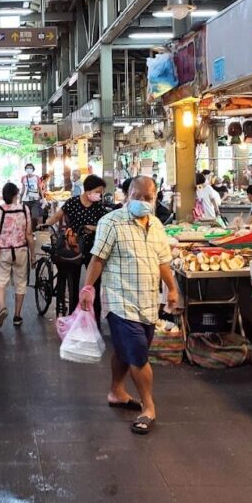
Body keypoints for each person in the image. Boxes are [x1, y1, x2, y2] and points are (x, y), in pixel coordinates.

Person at [80, 176, 180, 436]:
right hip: (119, 300)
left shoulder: (157, 225)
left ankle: (116, 391)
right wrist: (88, 288)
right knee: (137, 354)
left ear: (155, 197)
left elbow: (162, 261)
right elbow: (98, 259)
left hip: (147, 300)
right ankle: (148, 407)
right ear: (126, 196)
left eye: (148, 198)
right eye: (137, 196)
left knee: (127, 350)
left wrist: (171, 288)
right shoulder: (111, 222)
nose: (143, 202)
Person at [46, 174, 110, 318]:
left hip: (93, 249)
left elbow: (103, 225)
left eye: (101, 192)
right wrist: (45, 224)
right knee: (73, 284)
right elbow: (57, 216)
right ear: (89, 191)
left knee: (94, 284)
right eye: (98, 191)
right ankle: (73, 316)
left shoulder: (98, 206)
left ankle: (95, 318)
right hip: (73, 247)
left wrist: (91, 228)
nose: (100, 195)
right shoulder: (73, 202)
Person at [0, 182, 34, 328]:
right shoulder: (24, 209)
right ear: (16, 195)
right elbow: (29, 234)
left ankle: (2, 307)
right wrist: (33, 254)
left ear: (3, 195)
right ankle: (17, 315)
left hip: (3, 250)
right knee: (21, 282)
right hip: (21, 250)